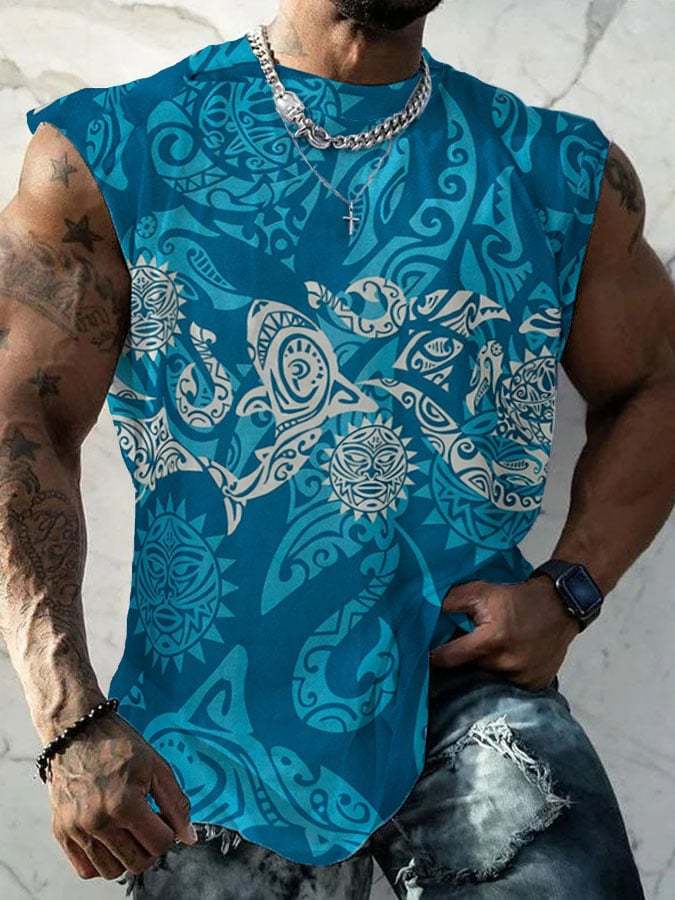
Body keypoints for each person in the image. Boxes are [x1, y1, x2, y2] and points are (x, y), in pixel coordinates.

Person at [1, 0, 673, 895]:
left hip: (465, 684)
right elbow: (18, 424)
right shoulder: (112, 150)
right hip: (207, 735)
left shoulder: (558, 171)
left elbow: (656, 384)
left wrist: (570, 589)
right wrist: (69, 716)